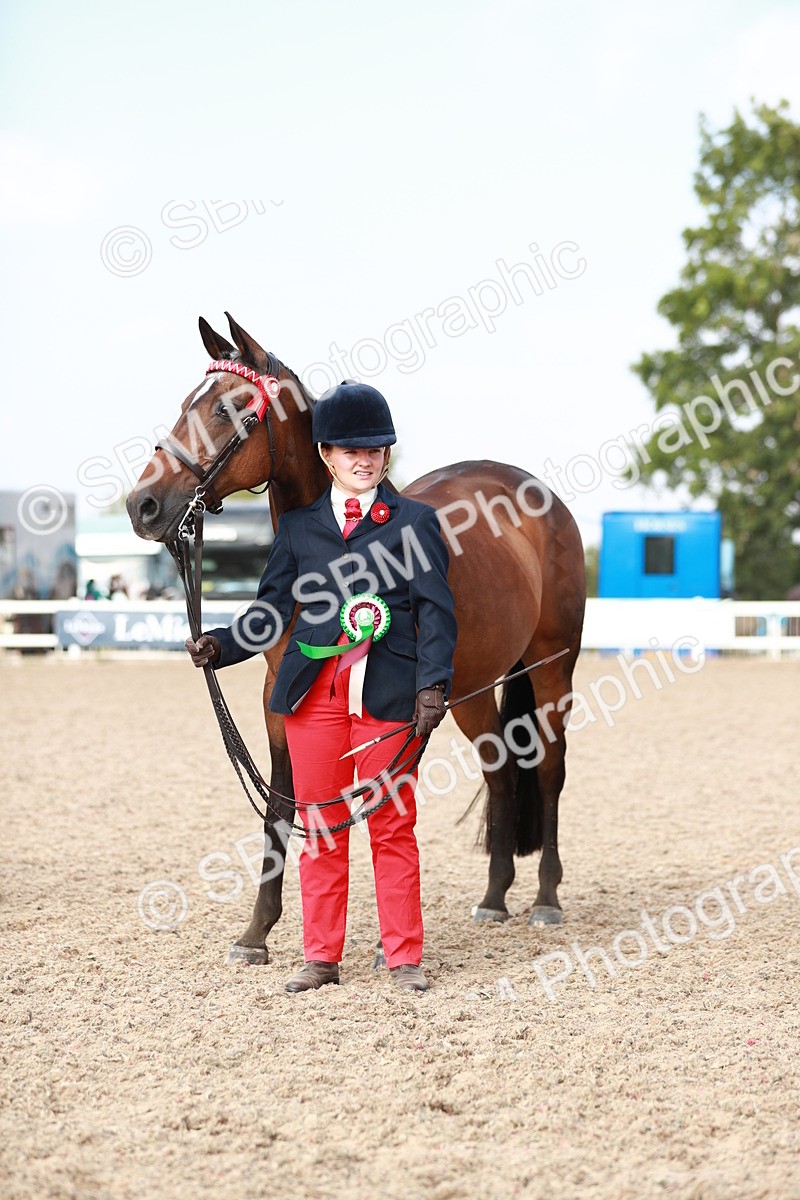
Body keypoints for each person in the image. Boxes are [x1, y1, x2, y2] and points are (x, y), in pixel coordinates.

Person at [185, 382, 457, 994]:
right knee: (323, 828)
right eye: (350, 450)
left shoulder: (416, 523)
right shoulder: (302, 529)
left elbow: (438, 614)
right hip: (313, 698)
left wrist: (433, 685)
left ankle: (404, 957)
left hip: (389, 695)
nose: (365, 460)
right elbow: (273, 608)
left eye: (377, 449)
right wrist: (224, 645)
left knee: (391, 826)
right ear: (327, 454)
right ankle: (321, 956)